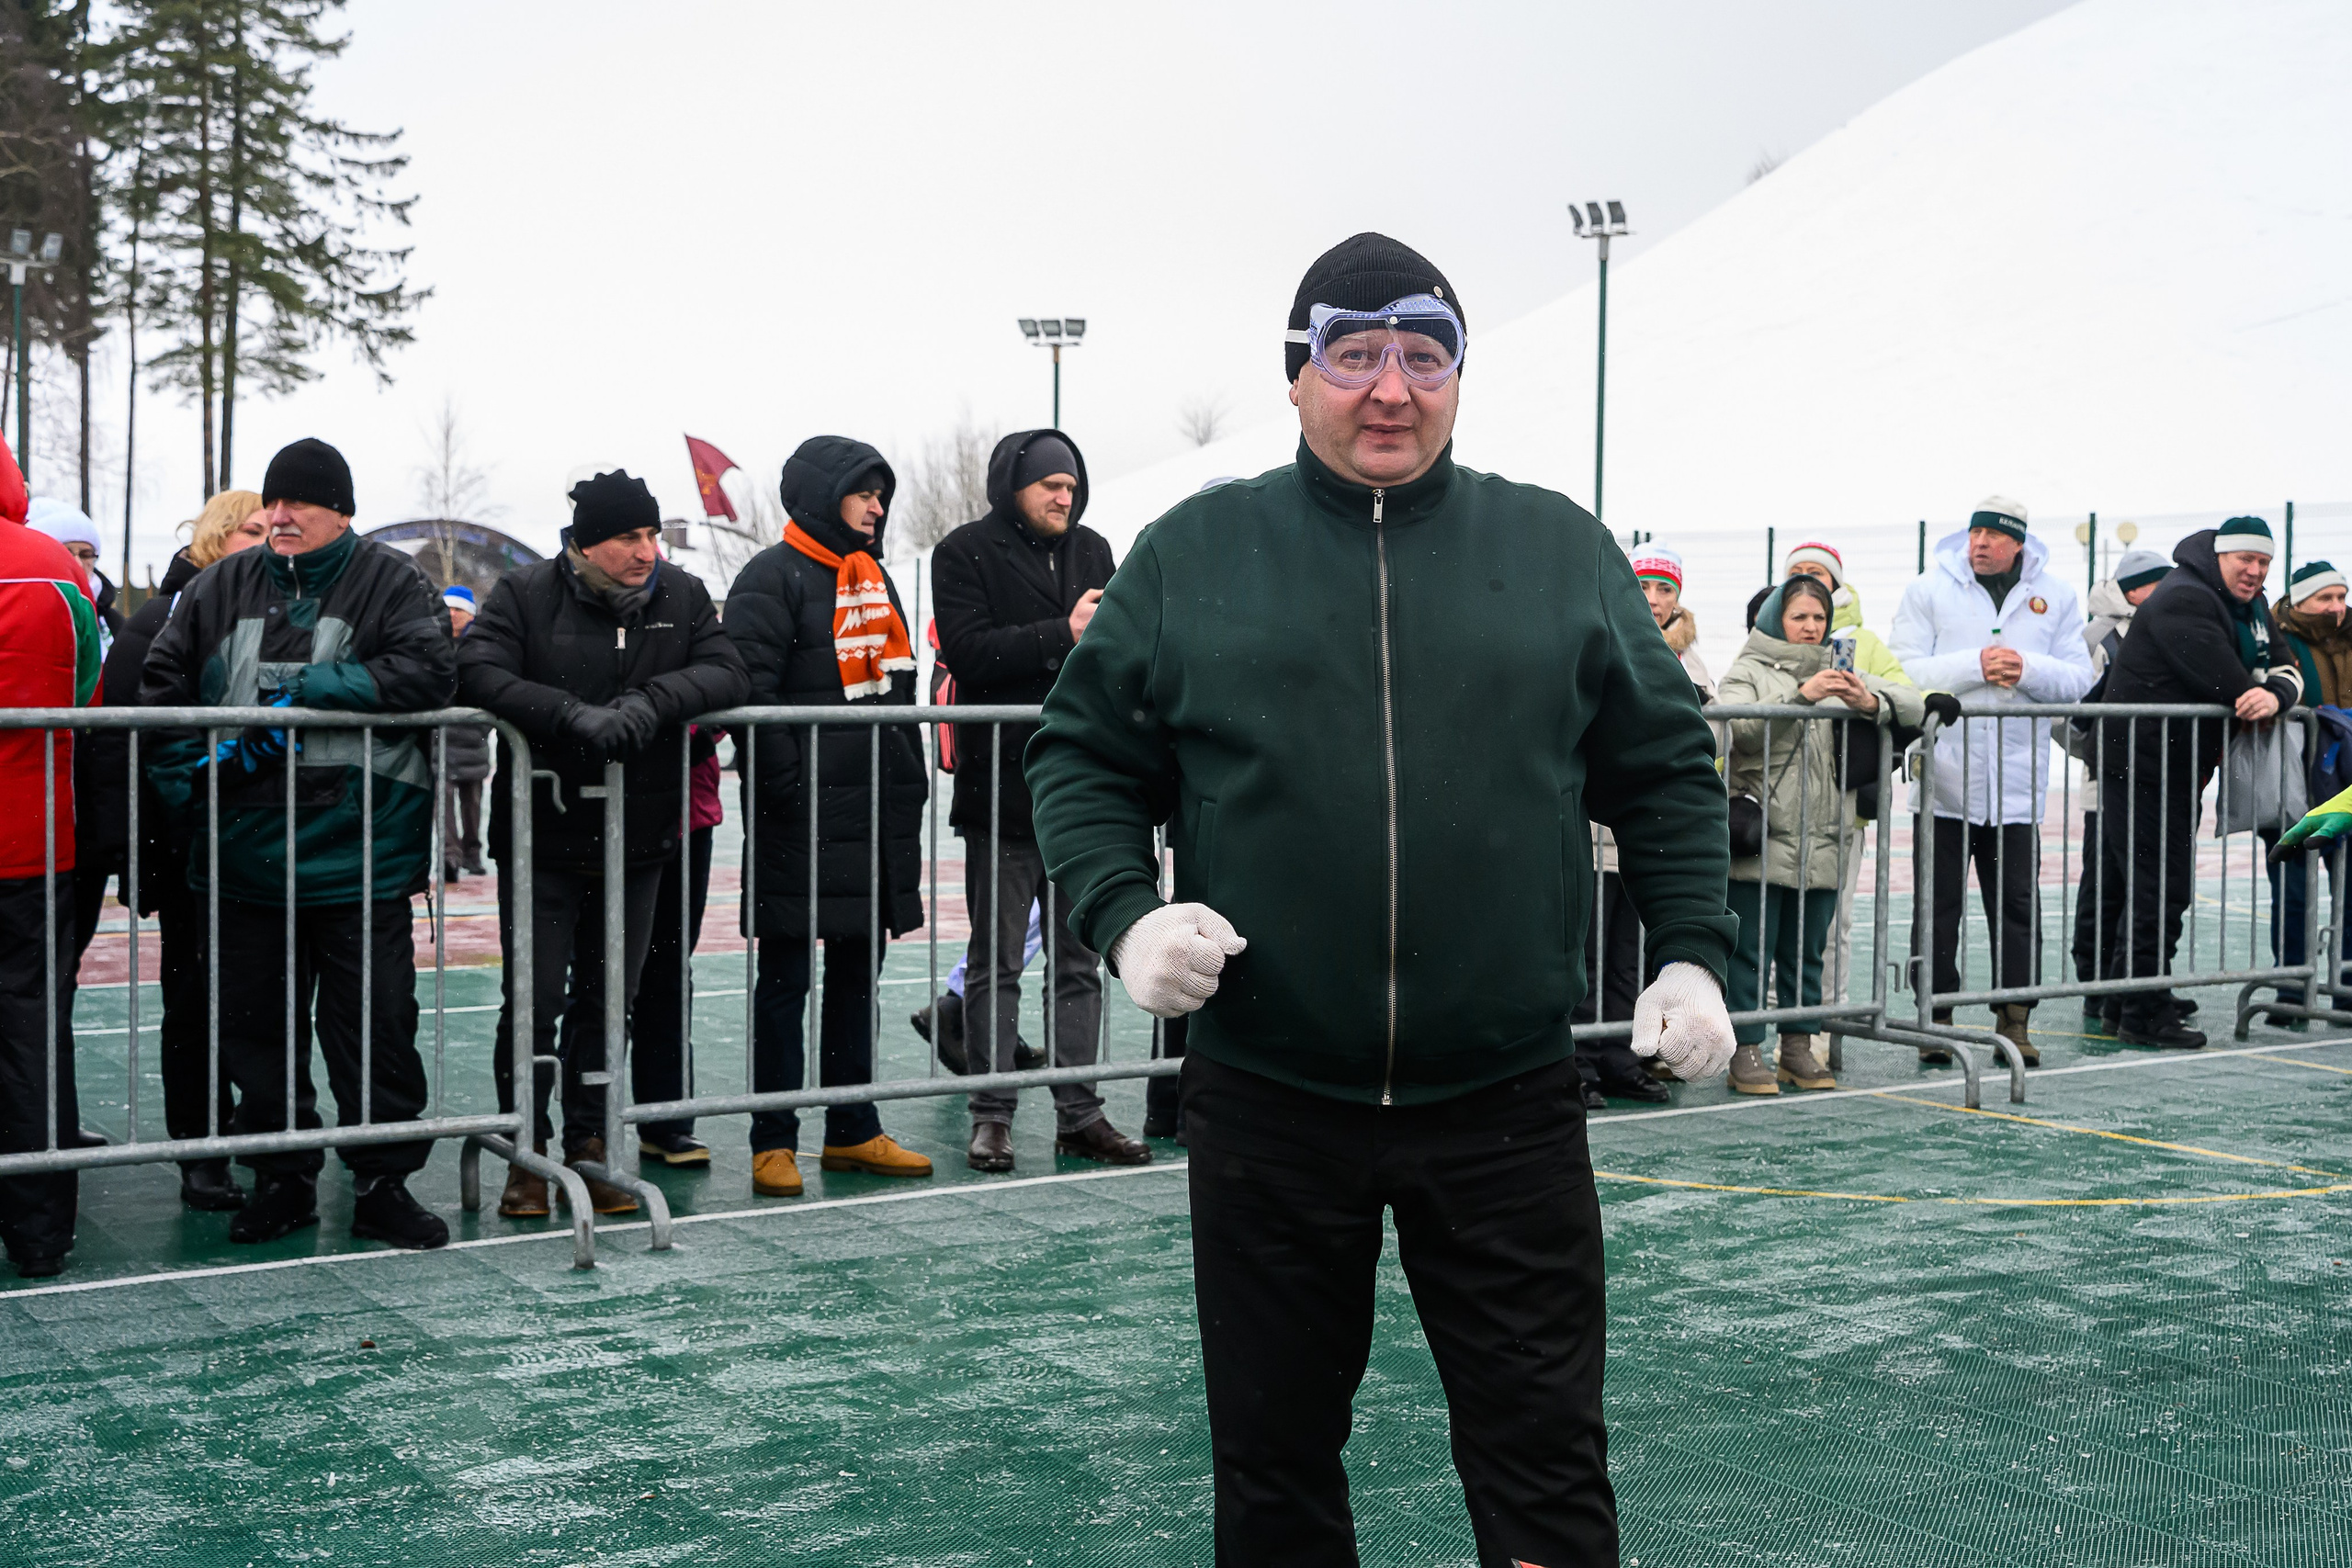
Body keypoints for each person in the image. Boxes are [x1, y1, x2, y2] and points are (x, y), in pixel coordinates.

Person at [1026, 232, 1739, 1565]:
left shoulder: (1556, 548)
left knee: (1544, 1461)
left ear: (1460, 377)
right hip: (1271, 1093)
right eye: (1354, 354)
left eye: (1423, 354)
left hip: (1507, 1094)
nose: (1390, 387)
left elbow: (1664, 767)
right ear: (1297, 377)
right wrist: (1123, 915)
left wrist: (1693, 954)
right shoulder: (1196, 551)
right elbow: (1080, 752)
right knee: (1277, 1462)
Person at [140, 437, 458, 1250]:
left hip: (361, 858)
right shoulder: (217, 587)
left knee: (377, 1027)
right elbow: (162, 691)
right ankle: (282, 1177)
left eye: (298, 504)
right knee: (257, 1030)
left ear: (340, 511)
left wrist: (310, 687)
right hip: (246, 861)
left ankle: (383, 1181)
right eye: (271, 504)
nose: (278, 516)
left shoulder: (393, 581)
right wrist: (193, 792)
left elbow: (429, 672)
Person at [458, 469, 748, 1217]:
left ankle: (588, 1145)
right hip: (543, 837)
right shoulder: (525, 593)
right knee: (533, 1001)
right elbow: (477, 669)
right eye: (629, 536)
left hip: (639, 839)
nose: (646, 550)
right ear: (587, 540)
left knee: (607, 1001)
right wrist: (566, 714)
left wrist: (651, 702)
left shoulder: (680, 596)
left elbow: (727, 669)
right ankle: (527, 1147)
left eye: (652, 534)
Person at [932, 428, 1148, 1174]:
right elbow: (969, 651)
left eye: (1072, 484)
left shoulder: (1094, 550)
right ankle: (991, 1114)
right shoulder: (963, 552)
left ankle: (1078, 1111)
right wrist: (1066, 632)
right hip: (1001, 790)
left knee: (1079, 962)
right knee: (996, 965)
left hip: (1083, 794)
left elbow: (1121, 649)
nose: (1066, 495)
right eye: (1051, 484)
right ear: (1013, 486)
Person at [723, 437, 934, 1198]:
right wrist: (789, 782)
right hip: (799, 816)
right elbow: (749, 692)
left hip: (872, 815)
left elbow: (897, 692)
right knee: (784, 982)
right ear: (822, 495)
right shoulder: (768, 578)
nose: (878, 506)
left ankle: (853, 1127)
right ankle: (772, 1138)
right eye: (864, 492)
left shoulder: (874, 576)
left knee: (856, 977)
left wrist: (902, 778)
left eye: (882, 493)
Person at [97, 489, 267, 1211]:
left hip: (256, 845)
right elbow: (135, 748)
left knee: (258, 998)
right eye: (251, 529)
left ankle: (256, 1127)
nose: (266, 539)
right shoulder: (160, 619)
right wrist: (150, 851)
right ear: (216, 537)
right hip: (191, 847)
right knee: (195, 999)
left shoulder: (271, 605)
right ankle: (199, 1148)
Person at [1889, 498, 2094, 1065]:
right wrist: (1975, 664)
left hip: (2017, 788)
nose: (1979, 543)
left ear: (2017, 544)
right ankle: (1936, 1014)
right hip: (1943, 782)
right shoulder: (1928, 589)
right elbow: (1900, 669)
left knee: (2017, 908)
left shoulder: (2057, 594)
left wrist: (2026, 668)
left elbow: (2080, 678)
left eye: (1993, 536)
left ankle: (2015, 1019)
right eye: (1974, 532)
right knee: (1936, 909)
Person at [1717, 578, 1928, 1093]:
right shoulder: (1749, 668)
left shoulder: (1844, 668)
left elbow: (1917, 705)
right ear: (1775, 620)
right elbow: (1737, 724)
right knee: (1751, 952)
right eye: (1799, 617)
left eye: (1818, 617)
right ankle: (1744, 1051)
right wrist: (1800, 696)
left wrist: (1870, 698)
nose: (1811, 627)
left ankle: (1797, 1048)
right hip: (1762, 835)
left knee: (1807, 951)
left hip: (1826, 836)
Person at [2098, 518, 2301, 1048]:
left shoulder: (2247, 605)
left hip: (2177, 764)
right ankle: (2144, 1010)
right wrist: (2270, 689)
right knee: (2159, 887)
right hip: (2141, 765)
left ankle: (2130, 996)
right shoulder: (2184, 597)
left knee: (2156, 884)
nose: (2255, 572)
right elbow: (2230, 681)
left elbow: (2286, 667)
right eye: (2245, 561)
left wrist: (2278, 690)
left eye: (2264, 563)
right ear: (2220, 556)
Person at [0, 438, 104, 1279]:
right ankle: (40, 1228)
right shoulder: (53, 567)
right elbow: (87, 695)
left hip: (34, 838)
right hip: (31, 840)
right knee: (33, 1028)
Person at [2065, 547, 2171, 1029]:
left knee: (2141, 886)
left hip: (2149, 778)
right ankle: (2096, 983)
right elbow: (2071, 715)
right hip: (2106, 784)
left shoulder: (2161, 628)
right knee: (2105, 883)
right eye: (2155, 583)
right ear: (2132, 590)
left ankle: (2135, 983)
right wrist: (2098, 759)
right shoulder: (2098, 636)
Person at [626, 722, 723, 1167]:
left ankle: (667, 1120)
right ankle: (585, 1132)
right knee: (597, 973)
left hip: (688, 809)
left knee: (668, 969)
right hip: (608, 806)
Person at [436, 584, 492, 881]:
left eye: (457, 609)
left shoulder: (480, 643)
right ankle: (450, 856)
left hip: (472, 737)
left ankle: (472, 852)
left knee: (472, 802)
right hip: (442, 737)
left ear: (469, 613)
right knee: (442, 800)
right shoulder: (435, 644)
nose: (451, 614)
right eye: (448, 609)